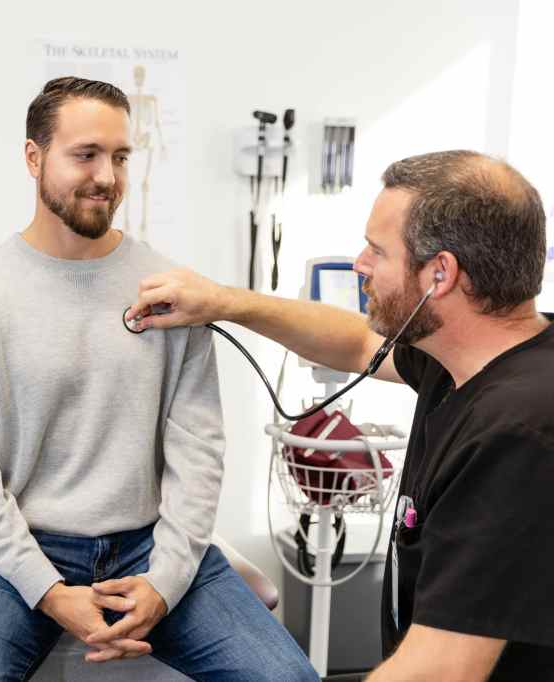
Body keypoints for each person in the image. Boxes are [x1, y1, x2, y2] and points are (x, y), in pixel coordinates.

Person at [0, 76, 318, 681]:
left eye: (121, 156)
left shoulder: (170, 292)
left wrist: (163, 584)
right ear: (34, 158)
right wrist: (51, 592)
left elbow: (198, 451)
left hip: (146, 541)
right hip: (16, 545)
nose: (107, 176)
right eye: (86, 155)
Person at [127, 150, 554, 681]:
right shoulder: (472, 357)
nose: (359, 264)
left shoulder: (518, 433)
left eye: (378, 250)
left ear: (440, 273)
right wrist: (222, 302)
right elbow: (357, 342)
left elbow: (442, 669)